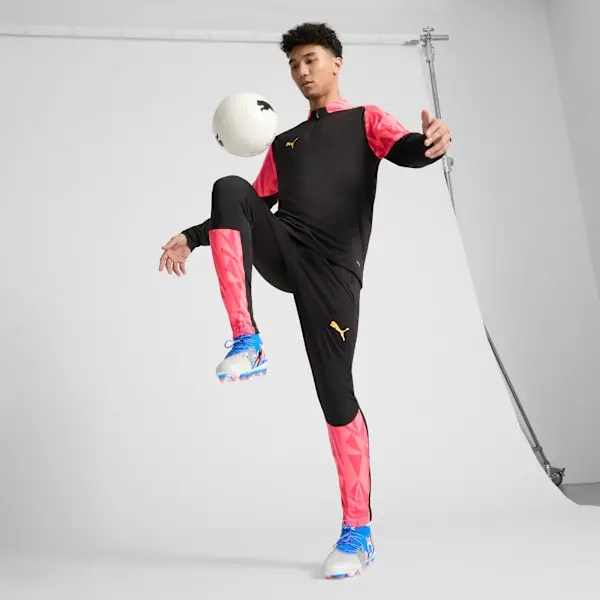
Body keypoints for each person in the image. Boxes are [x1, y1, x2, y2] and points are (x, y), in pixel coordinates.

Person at [159, 22, 451, 580]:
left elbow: (409, 151)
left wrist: (432, 143)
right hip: (287, 250)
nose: (301, 71)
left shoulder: (365, 120)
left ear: (336, 62)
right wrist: (190, 238)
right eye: (294, 64)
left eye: (310, 59)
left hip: (334, 274)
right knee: (229, 186)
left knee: (335, 395)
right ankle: (247, 339)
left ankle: (358, 532)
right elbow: (248, 206)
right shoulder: (284, 143)